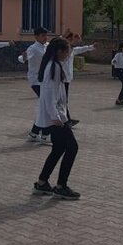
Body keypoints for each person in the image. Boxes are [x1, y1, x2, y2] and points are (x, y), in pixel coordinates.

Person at [31, 37, 80, 200]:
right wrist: (56, 117)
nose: (68, 54)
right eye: (67, 51)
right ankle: (61, 186)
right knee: (72, 147)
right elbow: (49, 94)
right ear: (60, 51)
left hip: (56, 115)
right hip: (56, 117)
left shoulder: (52, 64)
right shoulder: (54, 67)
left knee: (58, 148)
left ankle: (42, 182)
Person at [19, 28, 50, 143]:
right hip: (36, 81)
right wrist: (24, 57)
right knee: (47, 106)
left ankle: (34, 133)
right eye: (43, 35)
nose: (45, 37)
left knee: (45, 107)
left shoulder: (48, 45)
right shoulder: (33, 48)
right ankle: (44, 134)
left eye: (46, 35)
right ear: (36, 37)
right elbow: (23, 58)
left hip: (45, 80)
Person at [61, 31, 95, 128]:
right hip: (61, 79)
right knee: (62, 101)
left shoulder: (71, 49)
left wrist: (91, 47)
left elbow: (81, 49)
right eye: (71, 39)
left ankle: (67, 119)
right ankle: (66, 120)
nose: (74, 41)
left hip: (66, 79)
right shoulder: (61, 50)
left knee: (64, 101)